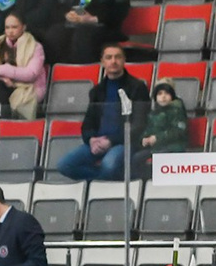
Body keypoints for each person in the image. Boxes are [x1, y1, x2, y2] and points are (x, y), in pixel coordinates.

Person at [55, 43, 147, 182]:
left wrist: (110, 141)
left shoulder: (137, 87)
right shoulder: (97, 91)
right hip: (98, 142)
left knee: (108, 166)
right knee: (64, 165)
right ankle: (111, 179)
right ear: (103, 62)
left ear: (124, 60)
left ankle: (105, 179)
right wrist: (91, 139)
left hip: (124, 142)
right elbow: (88, 124)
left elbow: (140, 124)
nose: (113, 61)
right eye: (109, 57)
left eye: (117, 57)